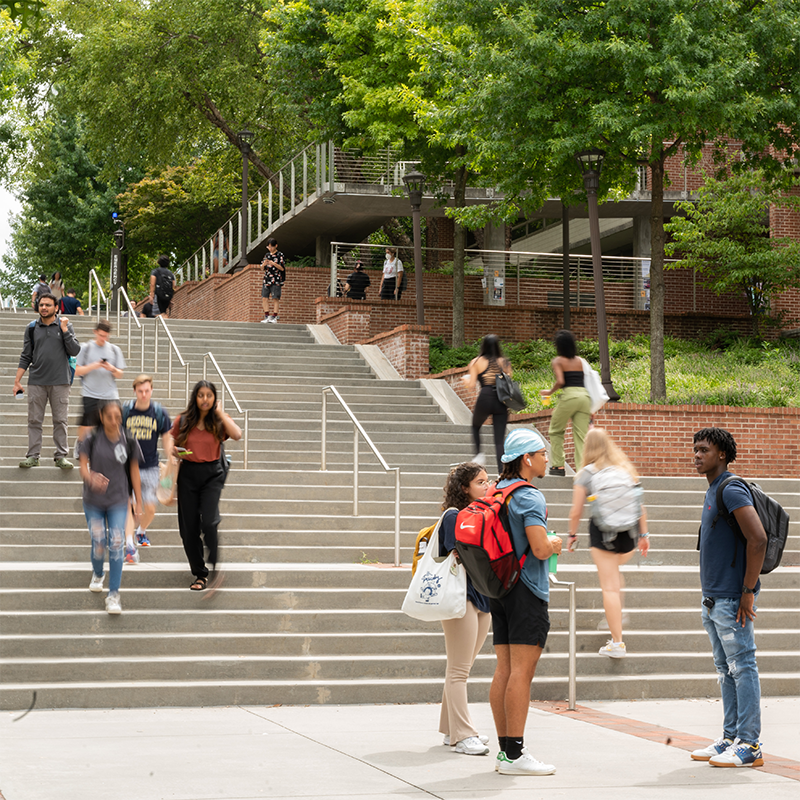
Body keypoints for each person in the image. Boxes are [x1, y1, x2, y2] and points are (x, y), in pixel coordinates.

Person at [690, 427, 767, 768]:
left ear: (721, 454)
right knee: (726, 670)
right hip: (713, 599)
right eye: (695, 450)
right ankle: (730, 736)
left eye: (703, 450)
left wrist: (747, 592)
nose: (697, 455)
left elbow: (758, 539)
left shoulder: (730, 488)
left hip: (731, 599)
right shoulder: (713, 490)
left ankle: (750, 743)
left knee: (742, 666)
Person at [491, 428, 560, 776]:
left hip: (500, 590)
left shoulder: (496, 492)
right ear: (527, 459)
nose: (547, 459)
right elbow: (539, 548)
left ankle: (505, 752)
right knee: (522, 671)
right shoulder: (530, 497)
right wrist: (556, 542)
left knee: (504, 669)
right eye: (543, 453)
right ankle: (516, 755)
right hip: (527, 590)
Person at [567, 428, 649, 657]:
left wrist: (571, 535)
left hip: (603, 534)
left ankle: (617, 643)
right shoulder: (625, 470)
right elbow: (641, 507)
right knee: (615, 575)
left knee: (609, 587)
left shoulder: (585, 474)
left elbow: (576, 511)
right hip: (628, 535)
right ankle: (617, 613)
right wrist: (644, 536)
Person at [438, 462, 492, 756]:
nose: (487, 485)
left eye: (487, 481)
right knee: (459, 669)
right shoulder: (454, 516)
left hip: (483, 596)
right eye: (480, 482)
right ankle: (463, 735)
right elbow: (464, 553)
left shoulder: (481, 514)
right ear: (464, 488)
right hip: (461, 596)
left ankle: (451, 729)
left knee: (462, 667)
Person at [171, 380, 242, 590]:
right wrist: (173, 450)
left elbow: (237, 434)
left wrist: (220, 413)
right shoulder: (184, 419)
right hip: (188, 474)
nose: (205, 399)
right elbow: (169, 438)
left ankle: (215, 564)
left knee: (209, 522)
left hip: (212, 474)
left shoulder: (219, 421)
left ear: (214, 398)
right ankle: (200, 574)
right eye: (201, 395)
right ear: (195, 397)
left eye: (209, 395)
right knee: (188, 528)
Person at [79, 399, 144, 615]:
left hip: (117, 500)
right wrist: (91, 477)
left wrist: (139, 502)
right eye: (110, 417)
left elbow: (134, 472)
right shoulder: (91, 438)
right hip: (93, 502)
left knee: (116, 543)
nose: (114, 421)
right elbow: (82, 465)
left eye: (118, 417)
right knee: (99, 542)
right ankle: (98, 573)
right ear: (101, 417)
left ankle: (113, 594)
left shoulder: (130, 441)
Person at [14, 293, 81, 469]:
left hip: (60, 381)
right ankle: (33, 456)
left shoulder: (65, 325)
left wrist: (65, 330)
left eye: (48, 305)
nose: (44, 307)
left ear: (56, 308)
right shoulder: (31, 328)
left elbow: (74, 350)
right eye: (41, 304)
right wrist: (17, 381)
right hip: (36, 381)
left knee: (60, 420)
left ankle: (61, 456)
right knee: (34, 420)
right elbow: (26, 356)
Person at [122, 374, 173, 563]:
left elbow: (167, 438)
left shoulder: (159, 413)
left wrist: (170, 458)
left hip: (150, 467)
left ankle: (140, 531)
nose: (144, 394)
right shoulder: (126, 411)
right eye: (140, 391)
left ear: (151, 391)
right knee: (128, 506)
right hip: (127, 466)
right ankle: (129, 546)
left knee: (150, 508)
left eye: (147, 391)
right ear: (135, 391)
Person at [541, 329, 591, 476]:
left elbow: (561, 381)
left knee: (555, 430)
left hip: (570, 396)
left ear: (559, 346)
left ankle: (558, 466)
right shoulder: (581, 361)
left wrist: (549, 392)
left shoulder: (558, 361)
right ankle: (582, 472)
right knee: (581, 436)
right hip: (584, 397)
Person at [461, 334, 512, 473]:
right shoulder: (505, 361)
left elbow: (471, 384)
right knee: (499, 439)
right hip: (501, 400)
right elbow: (509, 380)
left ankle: (479, 456)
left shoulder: (476, 361)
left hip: (485, 396)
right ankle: (502, 471)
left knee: (475, 426)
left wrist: (465, 380)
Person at [75, 320, 125, 446]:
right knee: (87, 424)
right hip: (90, 392)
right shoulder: (85, 348)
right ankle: (80, 444)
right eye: (101, 335)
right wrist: (94, 366)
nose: (103, 338)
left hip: (110, 394)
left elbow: (120, 374)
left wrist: (111, 368)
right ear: (95, 332)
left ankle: (114, 446)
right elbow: (76, 371)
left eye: (106, 336)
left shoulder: (115, 350)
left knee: (114, 420)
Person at [260, 237, 286, 323]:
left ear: (276, 246)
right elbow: (262, 268)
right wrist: (264, 264)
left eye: (271, 247)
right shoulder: (267, 255)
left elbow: (282, 268)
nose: (270, 248)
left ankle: (274, 317)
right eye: (268, 247)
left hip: (276, 279)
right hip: (267, 279)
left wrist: (273, 263)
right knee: (264, 297)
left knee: (275, 298)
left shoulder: (280, 255)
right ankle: (267, 316)